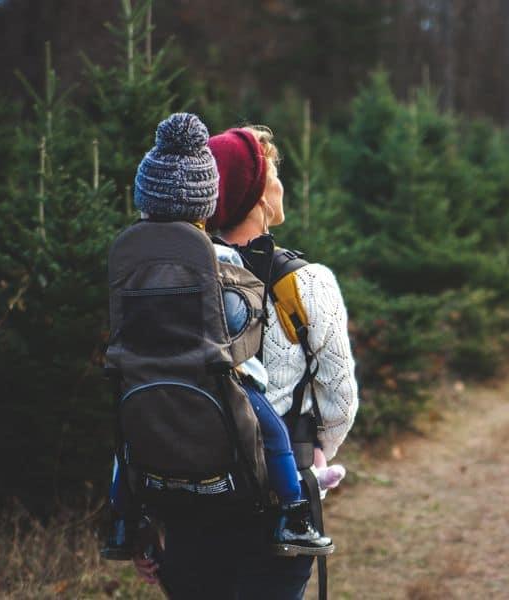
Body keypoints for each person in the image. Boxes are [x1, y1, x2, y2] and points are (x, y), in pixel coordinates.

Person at [134, 123, 359, 597]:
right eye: (274, 172)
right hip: (276, 509)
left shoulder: (172, 279)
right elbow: (340, 401)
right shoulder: (308, 283)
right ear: (258, 194)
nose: (281, 182)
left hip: (187, 500)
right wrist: (311, 461)